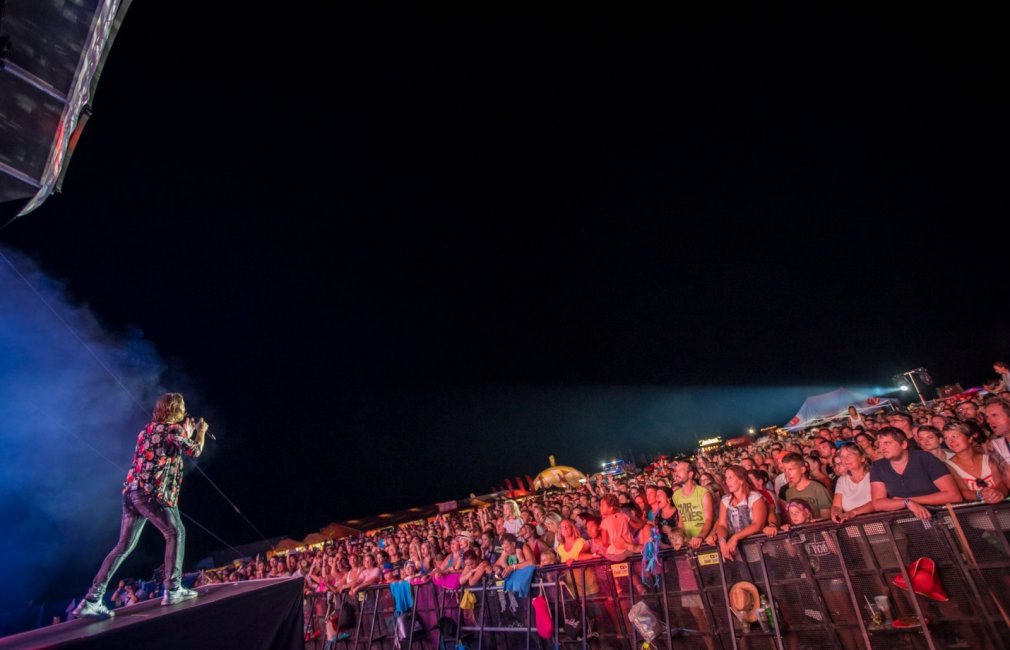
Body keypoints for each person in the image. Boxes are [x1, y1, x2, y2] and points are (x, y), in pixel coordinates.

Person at [73, 393, 208, 618]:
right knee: (175, 532)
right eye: (182, 406)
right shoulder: (172, 431)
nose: (185, 409)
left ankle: (92, 598)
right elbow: (194, 450)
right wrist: (200, 432)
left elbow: (168, 443)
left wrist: (186, 431)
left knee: (123, 546)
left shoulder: (147, 430)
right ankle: (173, 590)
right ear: (176, 409)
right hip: (152, 494)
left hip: (131, 494)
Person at [869, 427, 962, 520]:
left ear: (904, 444)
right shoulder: (878, 467)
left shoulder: (925, 458)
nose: (882, 448)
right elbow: (878, 503)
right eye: (879, 444)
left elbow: (953, 495)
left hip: (940, 517)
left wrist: (912, 501)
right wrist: (906, 502)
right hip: (907, 523)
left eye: (887, 443)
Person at [943, 421, 1009, 504]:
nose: (950, 441)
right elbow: (960, 491)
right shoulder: (948, 466)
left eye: (955, 436)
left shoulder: (988, 459)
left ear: (970, 438)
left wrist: (999, 493)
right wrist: (980, 494)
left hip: (1002, 509)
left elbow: (1001, 483)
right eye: (946, 438)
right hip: (975, 513)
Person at [830, 444, 874, 523]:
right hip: (853, 528)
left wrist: (853, 512)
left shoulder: (875, 474)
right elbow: (836, 506)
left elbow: (877, 502)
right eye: (842, 456)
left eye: (849, 455)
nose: (845, 459)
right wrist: (836, 514)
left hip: (878, 524)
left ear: (862, 458)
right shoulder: (842, 480)